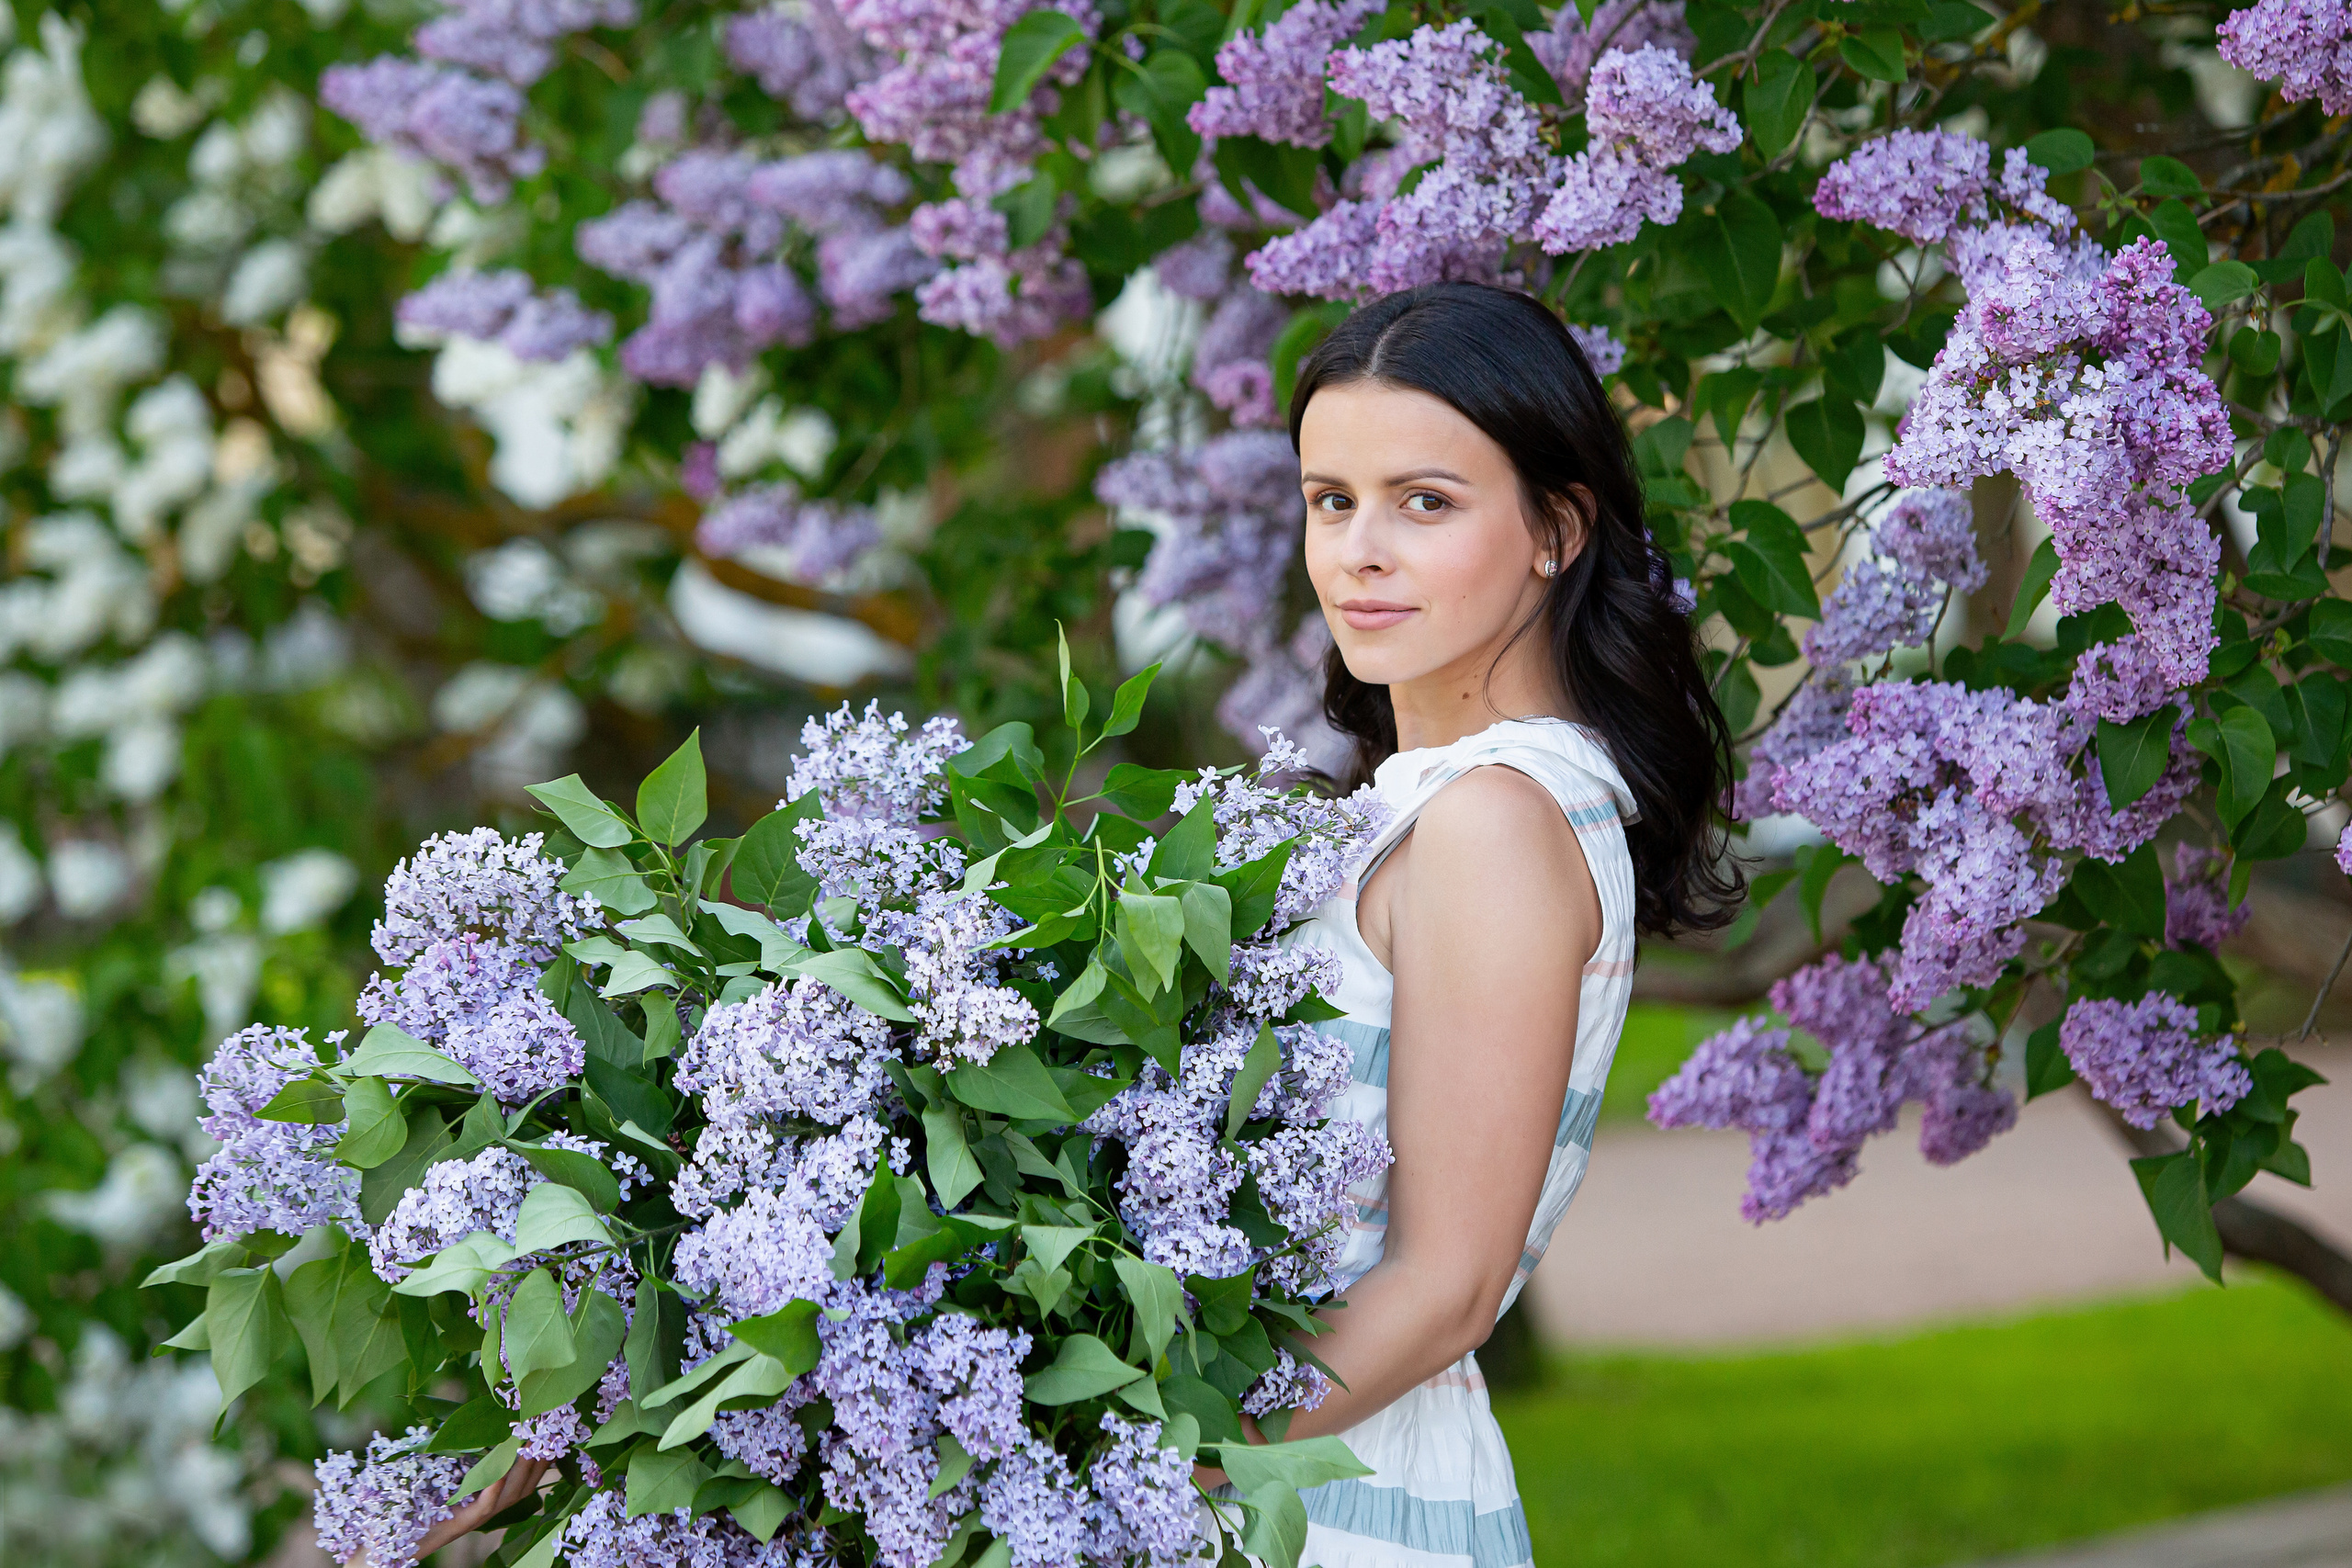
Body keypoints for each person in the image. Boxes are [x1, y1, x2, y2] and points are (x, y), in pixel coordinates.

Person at [1191, 280, 1739, 1566]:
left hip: (1331, 1490)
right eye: (1333, 500)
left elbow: (1448, 1288)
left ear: (1557, 528)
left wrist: (1158, 1446)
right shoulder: (1435, 801)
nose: (1358, 551)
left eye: (1424, 502)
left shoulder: (1498, 816)